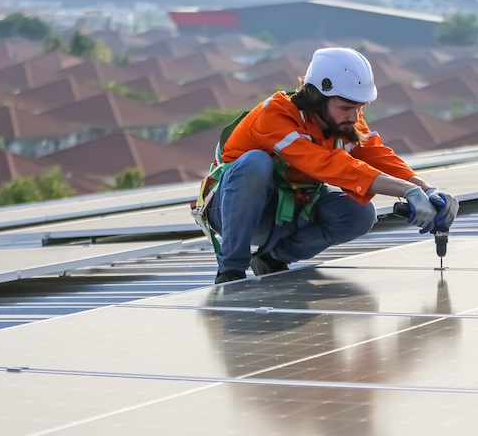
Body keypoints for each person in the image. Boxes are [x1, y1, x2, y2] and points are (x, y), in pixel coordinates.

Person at [192, 47, 459, 284]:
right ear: (317, 97)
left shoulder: (342, 120)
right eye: (346, 107)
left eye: (360, 107)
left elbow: (376, 154)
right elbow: (329, 165)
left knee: (360, 213)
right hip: (233, 210)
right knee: (255, 163)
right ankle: (231, 271)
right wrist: (405, 191)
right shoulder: (274, 116)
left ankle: (272, 258)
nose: (354, 116)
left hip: (288, 209)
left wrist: (425, 188)